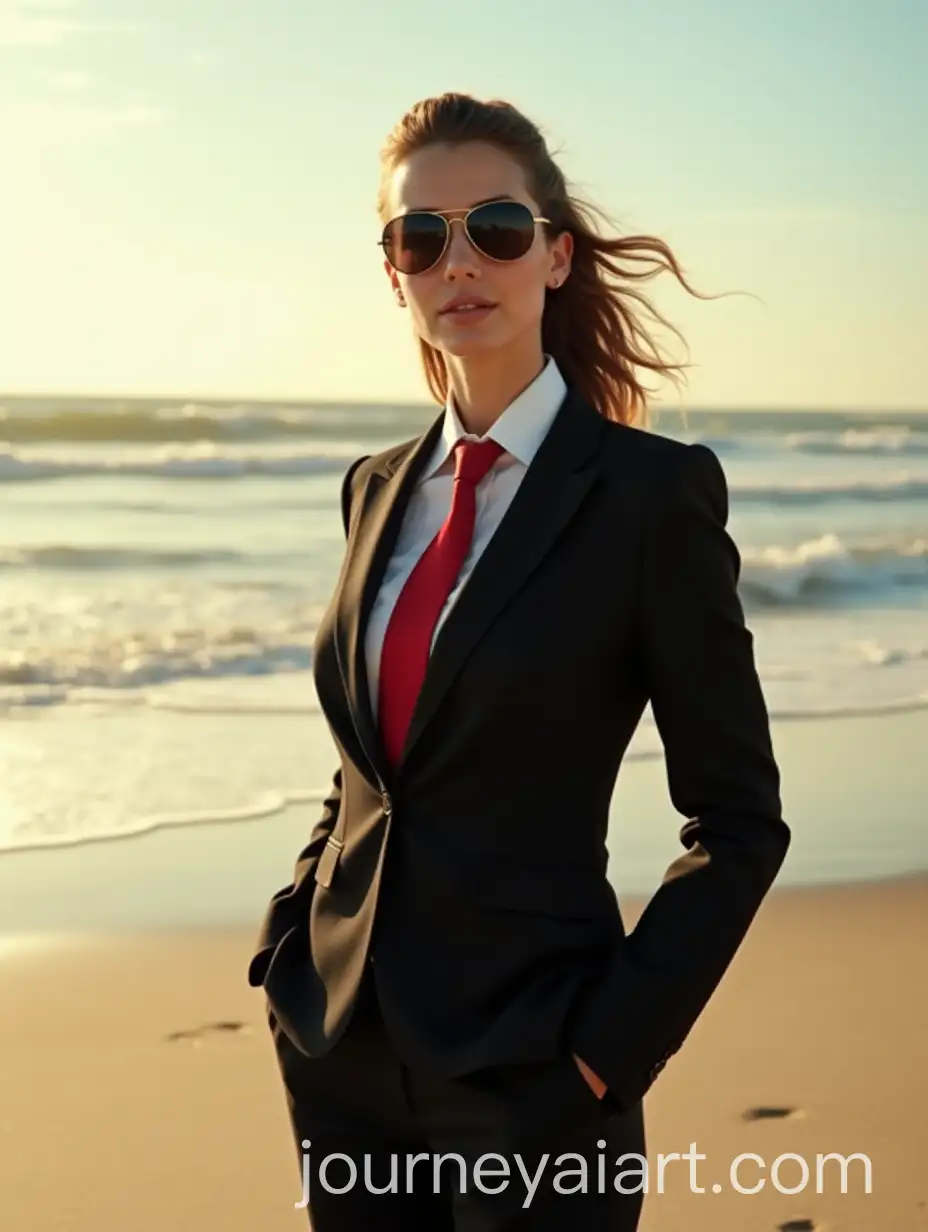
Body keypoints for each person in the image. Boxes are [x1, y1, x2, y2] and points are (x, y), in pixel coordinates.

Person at [247, 91, 791, 1231]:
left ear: (554, 254)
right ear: (391, 270)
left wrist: (606, 1055)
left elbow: (739, 820)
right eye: (420, 235)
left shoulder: (649, 498)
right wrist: (292, 932)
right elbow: (373, 765)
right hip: (341, 1055)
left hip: (539, 1070)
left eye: (495, 227)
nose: (459, 260)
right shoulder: (374, 487)